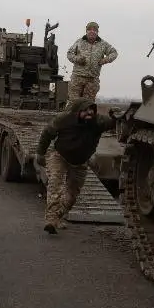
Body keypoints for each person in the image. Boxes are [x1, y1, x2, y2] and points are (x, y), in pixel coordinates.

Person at [34, 99, 119, 234]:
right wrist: (40, 153)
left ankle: (58, 216)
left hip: (80, 162)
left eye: (92, 110)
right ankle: (51, 220)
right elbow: (47, 133)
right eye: (85, 110)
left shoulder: (98, 122)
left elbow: (113, 123)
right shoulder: (64, 119)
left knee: (71, 196)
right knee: (55, 186)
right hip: (59, 156)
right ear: (78, 111)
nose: (89, 113)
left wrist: (117, 116)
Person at [66, 21, 117, 101]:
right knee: (73, 103)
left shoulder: (103, 44)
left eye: (94, 30)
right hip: (77, 78)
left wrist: (105, 60)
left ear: (97, 32)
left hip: (92, 80)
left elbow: (114, 53)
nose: (92, 31)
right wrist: (77, 59)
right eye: (89, 29)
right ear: (86, 31)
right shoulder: (79, 42)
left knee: (88, 105)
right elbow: (69, 54)